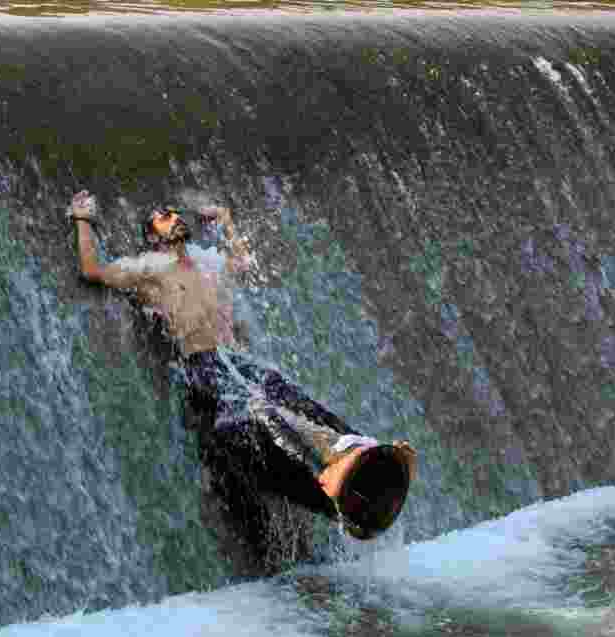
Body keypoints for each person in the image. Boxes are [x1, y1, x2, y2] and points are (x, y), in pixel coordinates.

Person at [68, 190, 416, 540]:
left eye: (175, 212)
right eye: (163, 216)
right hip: (201, 364)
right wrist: (82, 219)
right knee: (259, 411)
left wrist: (225, 218)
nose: (174, 216)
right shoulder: (150, 268)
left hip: (236, 359)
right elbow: (92, 269)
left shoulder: (208, 261)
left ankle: (360, 448)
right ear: (152, 235)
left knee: (289, 394)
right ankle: (325, 477)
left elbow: (244, 263)